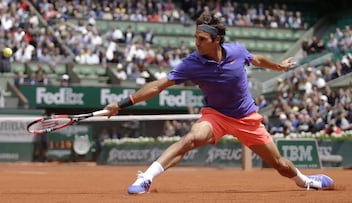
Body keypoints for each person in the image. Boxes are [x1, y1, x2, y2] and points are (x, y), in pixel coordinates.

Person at [104, 11, 334, 194]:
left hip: (246, 118)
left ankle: (305, 181)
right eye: (196, 38)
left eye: (202, 39)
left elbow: (256, 59)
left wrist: (278, 66)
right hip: (216, 115)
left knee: (280, 165)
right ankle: (146, 178)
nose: (197, 43)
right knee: (190, 139)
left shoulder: (237, 51)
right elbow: (158, 85)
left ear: (217, 40)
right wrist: (122, 103)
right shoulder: (191, 63)